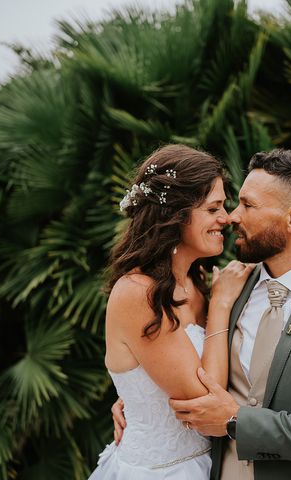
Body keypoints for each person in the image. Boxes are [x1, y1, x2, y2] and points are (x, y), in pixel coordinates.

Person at [113, 148, 291, 480]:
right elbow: (174, 361)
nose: (232, 216)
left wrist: (237, 422)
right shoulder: (222, 288)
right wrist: (136, 402)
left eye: (247, 205)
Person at [89, 144, 254, 479]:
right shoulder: (138, 293)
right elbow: (207, 405)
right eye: (213, 208)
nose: (226, 218)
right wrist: (220, 305)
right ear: (176, 215)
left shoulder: (196, 280)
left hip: (212, 465)